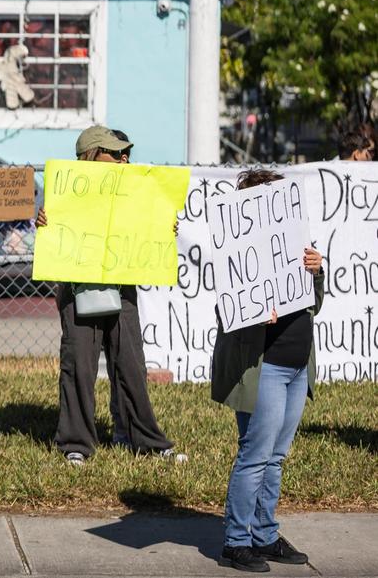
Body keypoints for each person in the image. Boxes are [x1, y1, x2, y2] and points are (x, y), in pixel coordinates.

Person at [35, 125, 184, 466]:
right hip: (77, 290)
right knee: (79, 366)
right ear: (92, 155)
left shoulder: (137, 192)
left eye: (125, 152)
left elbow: (150, 228)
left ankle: (146, 440)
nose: (124, 158)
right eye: (116, 152)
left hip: (123, 287)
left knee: (131, 365)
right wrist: (44, 222)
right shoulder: (63, 196)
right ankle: (75, 443)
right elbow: (53, 233)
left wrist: (164, 227)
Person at [212, 169, 323, 573]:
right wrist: (256, 314)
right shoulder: (238, 257)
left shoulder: (295, 245)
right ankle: (236, 542)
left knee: (275, 457)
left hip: (296, 368)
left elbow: (315, 305)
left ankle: (265, 535)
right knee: (256, 455)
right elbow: (229, 313)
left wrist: (315, 273)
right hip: (265, 370)